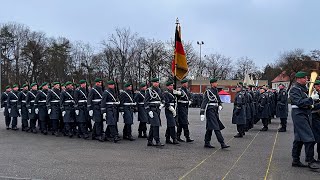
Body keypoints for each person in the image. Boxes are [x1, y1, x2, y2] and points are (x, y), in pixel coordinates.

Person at [289, 71, 320, 169]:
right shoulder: (295, 89)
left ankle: (295, 160)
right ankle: (310, 160)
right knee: (309, 137)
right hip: (299, 114)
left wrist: (316, 103)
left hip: (305, 114)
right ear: (298, 79)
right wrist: (311, 99)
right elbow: (299, 102)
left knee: (299, 138)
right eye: (304, 78)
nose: (306, 80)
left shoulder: (303, 89)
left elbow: (309, 105)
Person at [200, 78, 230, 149]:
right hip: (210, 110)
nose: (217, 84)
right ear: (212, 83)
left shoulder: (216, 91)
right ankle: (222, 143)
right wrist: (202, 113)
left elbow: (218, 101)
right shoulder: (208, 92)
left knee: (210, 127)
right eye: (215, 82)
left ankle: (207, 142)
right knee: (216, 127)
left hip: (215, 110)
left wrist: (220, 105)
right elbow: (204, 102)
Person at [144, 77, 165, 147]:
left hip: (157, 109)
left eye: (157, 82)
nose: (157, 83)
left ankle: (149, 141)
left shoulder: (159, 90)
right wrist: (149, 111)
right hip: (152, 109)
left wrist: (162, 104)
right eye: (155, 82)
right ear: (152, 83)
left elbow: (162, 99)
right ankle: (157, 141)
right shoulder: (149, 90)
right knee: (156, 125)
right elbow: (146, 102)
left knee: (153, 125)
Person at [311, 80, 320, 162]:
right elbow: (311, 105)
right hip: (315, 117)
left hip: (317, 116)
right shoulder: (313, 93)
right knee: (316, 137)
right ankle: (310, 157)